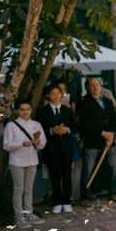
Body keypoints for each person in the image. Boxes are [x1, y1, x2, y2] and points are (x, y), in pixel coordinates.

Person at [4, 99, 47, 228]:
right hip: (17, 161)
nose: (25, 112)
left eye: (27, 109)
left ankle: (29, 213)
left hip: (32, 160)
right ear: (17, 111)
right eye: (22, 109)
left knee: (29, 189)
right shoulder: (11, 126)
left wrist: (38, 143)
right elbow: (6, 146)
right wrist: (22, 143)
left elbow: (43, 143)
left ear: (31, 110)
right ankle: (19, 217)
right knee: (19, 189)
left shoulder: (36, 124)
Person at [77, 77, 116, 205]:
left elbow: (113, 119)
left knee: (112, 168)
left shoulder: (107, 101)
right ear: (88, 87)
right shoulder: (83, 102)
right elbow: (85, 123)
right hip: (92, 141)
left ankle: (113, 192)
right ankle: (85, 196)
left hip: (109, 141)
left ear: (101, 86)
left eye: (97, 84)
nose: (95, 87)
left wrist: (111, 135)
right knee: (88, 170)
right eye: (92, 85)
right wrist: (103, 133)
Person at [36, 85, 76, 214]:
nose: (56, 96)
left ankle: (67, 201)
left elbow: (75, 127)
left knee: (66, 175)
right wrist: (51, 131)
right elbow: (39, 129)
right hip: (51, 148)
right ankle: (58, 201)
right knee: (55, 175)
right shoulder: (42, 111)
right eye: (52, 93)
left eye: (58, 93)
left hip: (66, 147)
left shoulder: (68, 110)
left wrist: (67, 129)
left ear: (62, 95)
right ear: (48, 95)